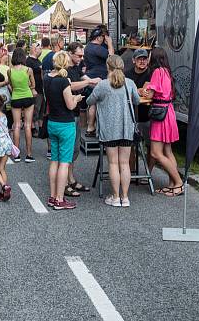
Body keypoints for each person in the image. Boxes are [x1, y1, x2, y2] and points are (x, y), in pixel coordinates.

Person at [86, 55, 140, 207]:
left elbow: (89, 101)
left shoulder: (103, 85)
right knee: (124, 163)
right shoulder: (129, 83)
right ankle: (125, 197)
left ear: (107, 67)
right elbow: (137, 100)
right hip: (126, 128)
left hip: (109, 130)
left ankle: (116, 197)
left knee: (113, 163)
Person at [43, 52, 85, 210]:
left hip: (52, 122)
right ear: (66, 63)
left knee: (54, 160)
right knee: (64, 163)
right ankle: (60, 199)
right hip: (65, 124)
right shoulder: (64, 81)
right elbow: (70, 105)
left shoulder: (47, 78)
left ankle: (53, 196)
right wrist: (77, 98)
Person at [142, 47, 183, 196]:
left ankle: (178, 182)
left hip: (160, 113)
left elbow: (150, 94)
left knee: (155, 152)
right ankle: (172, 185)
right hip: (168, 111)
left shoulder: (157, 72)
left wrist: (144, 90)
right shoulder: (167, 71)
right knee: (167, 150)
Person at [65, 42, 99, 196]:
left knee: (75, 149)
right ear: (70, 53)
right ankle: (65, 183)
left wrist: (103, 85)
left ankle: (71, 179)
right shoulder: (64, 69)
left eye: (82, 55)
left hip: (76, 113)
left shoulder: (76, 67)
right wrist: (89, 82)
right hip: (67, 114)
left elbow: (86, 79)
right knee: (68, 150)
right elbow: (70, 86)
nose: (81, 58)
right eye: (79, 55)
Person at [124, 48, 154, 171]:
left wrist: (137, 91)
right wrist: (139, 91)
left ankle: (148, 174)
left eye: (144, 59)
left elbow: (149, 92)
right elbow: (125, 91)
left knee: (150, 146)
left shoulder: (152, 74)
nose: (142, 61)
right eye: (139, 59)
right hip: (131, 116)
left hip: (148, 115)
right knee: (130, 146)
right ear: (133, 60)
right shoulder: (127, 74)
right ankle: (131, 172)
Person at [84, 26, 114, 136]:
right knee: (95, 104)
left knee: (92, 103)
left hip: (91, 77)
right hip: (98, 78)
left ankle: (90, 127)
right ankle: (91, 127)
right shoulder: (97, 48)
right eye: (103, 36)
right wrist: (110, 44)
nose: (104, 39)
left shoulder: (88, 47)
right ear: (98, 38)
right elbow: (112, 58)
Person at [7, 48, 36, 162]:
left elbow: (11, 85)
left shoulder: (10, 71)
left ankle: (17, 154)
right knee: (28, 126)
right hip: (28, 97)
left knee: (16, 126)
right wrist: (27, 87)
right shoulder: (28, 70)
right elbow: (33, 85)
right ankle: (29, 155)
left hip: (16, 97)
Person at [26, 43, 44, 135]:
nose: (41, 49)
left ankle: (40, 127)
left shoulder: (38, 61)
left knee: (41, 109)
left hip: (41, 88)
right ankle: (33, 128)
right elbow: (27, 77)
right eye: (39, 48)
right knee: (35, 109)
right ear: (34, 49)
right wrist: (32, 89)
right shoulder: (29, 61)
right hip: (35, 89)